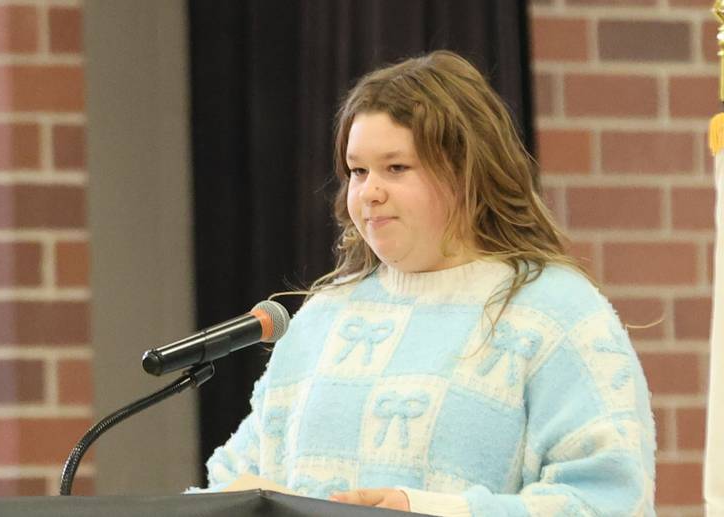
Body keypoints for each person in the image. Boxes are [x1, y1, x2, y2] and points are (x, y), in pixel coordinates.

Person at [189, 50, 656, 516]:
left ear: (467, 173)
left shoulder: (557, 312)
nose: (369, 192)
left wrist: (429, 510)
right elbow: (239, 473)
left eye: (396, 168)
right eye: (358, 171)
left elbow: (610, 501)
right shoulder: (325, 316)